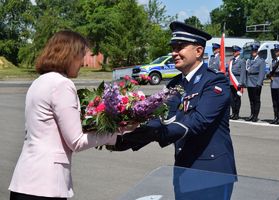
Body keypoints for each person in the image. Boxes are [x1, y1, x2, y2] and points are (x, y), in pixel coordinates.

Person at [114, 21, 236, 199]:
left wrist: (158, 133)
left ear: (199, 51)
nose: (174, 53)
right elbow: (160, 117)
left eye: (180, 47)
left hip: (212, 174)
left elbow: (198, 121)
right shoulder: (175, 84)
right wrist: (123, 140)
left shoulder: (216, 82)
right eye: (173, 47)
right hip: (184, 171)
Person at [8, 30, 118, 200]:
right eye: (81, 56)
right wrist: (114, 135)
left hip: (24, 181)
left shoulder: (39, 82)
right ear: (69, 55)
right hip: (45, 185)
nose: (83, 63)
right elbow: (76, 142)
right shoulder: (62, 84)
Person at [245, 44, 266, 122]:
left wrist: (259, 83)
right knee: (251, 100)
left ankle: (255, 116)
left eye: (255, 51)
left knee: (256, 100)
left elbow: (262, 73)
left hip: (256, 82)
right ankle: (252, 114)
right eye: (252, 51)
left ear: (257, 52)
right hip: (250, 83)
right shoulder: (249, 60)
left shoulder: (261, 61)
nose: (253, 52)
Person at [228, 45, 246, 120]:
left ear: (238, 52)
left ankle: (237, 114)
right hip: (231, 82)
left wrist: (241, 83)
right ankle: (233, 113)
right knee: (231, 99)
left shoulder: (242, 61)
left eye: (235, 51)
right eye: (233, 51)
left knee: (237, 99)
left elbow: (243, 73)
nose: (233, 53)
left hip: (237, 82)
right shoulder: (231, 61)